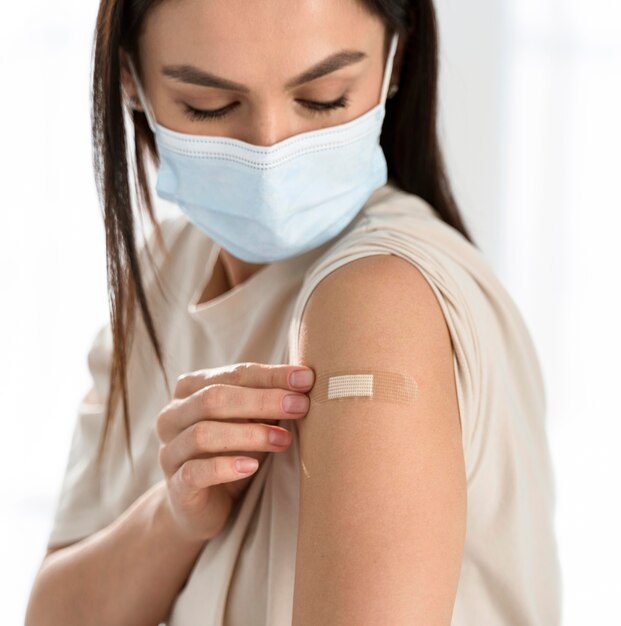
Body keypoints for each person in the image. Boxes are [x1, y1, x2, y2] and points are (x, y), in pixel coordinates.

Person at [25, 0, 562, 625]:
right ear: (130, 80)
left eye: (325, 98)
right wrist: (174, 516)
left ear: (395, 59)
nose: (270, 152)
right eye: (209, 104)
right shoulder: (164, 270)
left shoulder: (376, 305)